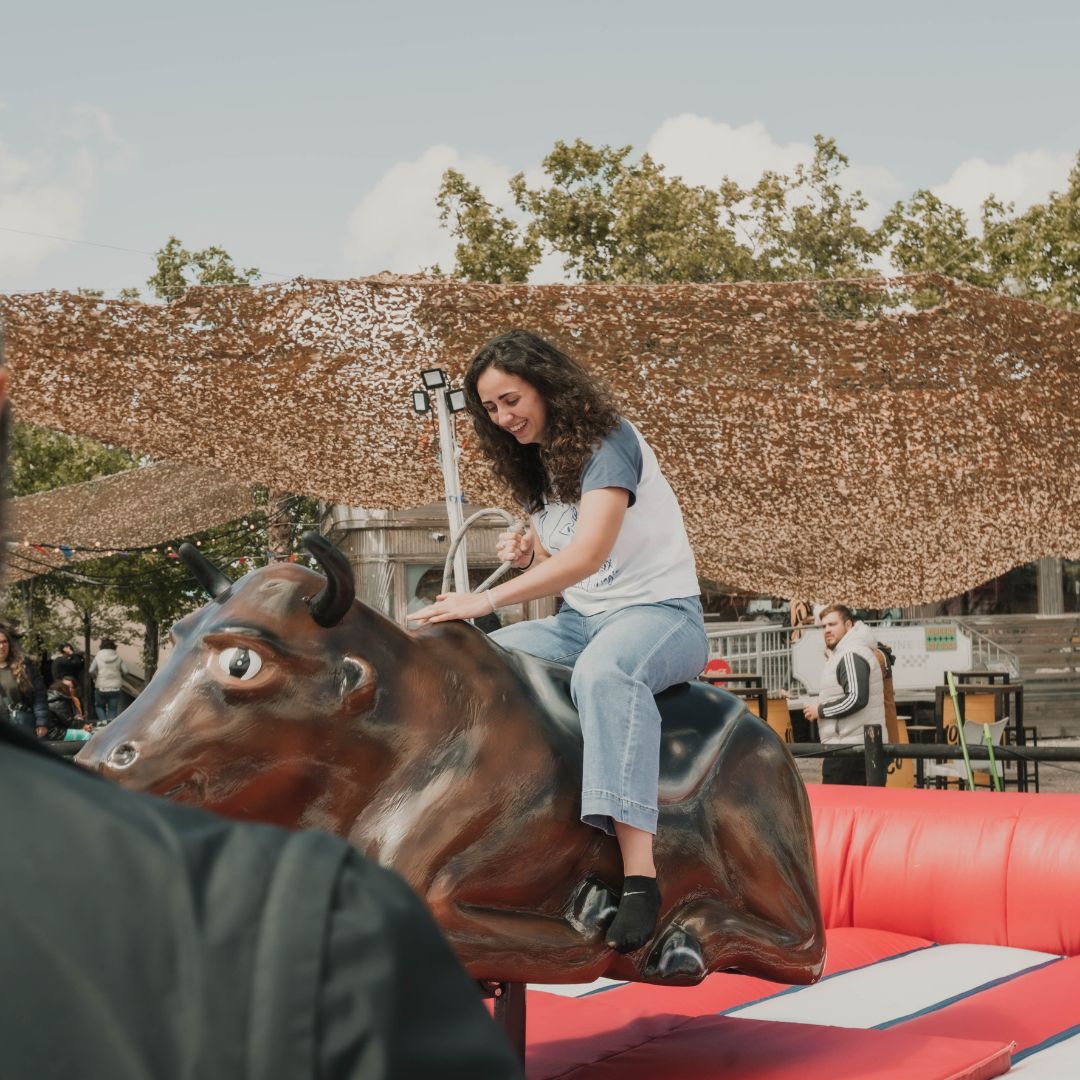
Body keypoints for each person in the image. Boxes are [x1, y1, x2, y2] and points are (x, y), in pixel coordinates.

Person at [409, 329, 708, 954]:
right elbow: (563, 554)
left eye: (511, 400)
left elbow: (590, 553)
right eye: (491, 410)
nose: (503, 417)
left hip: (660, 615)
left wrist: (484, 600)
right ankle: (506, 826)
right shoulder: (538, 462)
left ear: (547, 387)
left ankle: (639, 879)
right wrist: (527, 551)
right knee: (479, 659)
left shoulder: (608, 443)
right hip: (584, 619)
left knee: (605, 675)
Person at [802, 603, 886, 785]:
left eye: (833, 624)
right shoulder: (849, 652)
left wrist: (820, 711)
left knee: (840, 808)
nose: (826, 630)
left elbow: (856, 698)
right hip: (855, 747)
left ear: (848, 625)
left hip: (850, 751)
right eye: (824, 626)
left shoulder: (850, 654)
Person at [0, 624, 49, 736]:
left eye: (4, 642)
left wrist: (41, 722)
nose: (2, 646)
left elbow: (39, 695)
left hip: (20, 726)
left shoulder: (25, 667)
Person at [39, 677, 93, 742]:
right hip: (55, 733)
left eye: (71, 687)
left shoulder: (51, 698)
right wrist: (83, 725)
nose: (69, 690)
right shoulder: (59, 702)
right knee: (86, 735)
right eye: (68, 688)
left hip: (50, 731)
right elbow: (69, 721)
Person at [89, 637, 128, 723]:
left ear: (101, 647)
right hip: (115, 687)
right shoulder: (118, 658)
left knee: (99, 706)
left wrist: (96, 677)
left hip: (101, 686)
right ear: (114, 647)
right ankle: (110, 727)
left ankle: (103, 723)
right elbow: (126, 671)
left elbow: (91, 670)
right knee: (113, 709)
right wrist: (119, 677)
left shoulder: (97, 657)